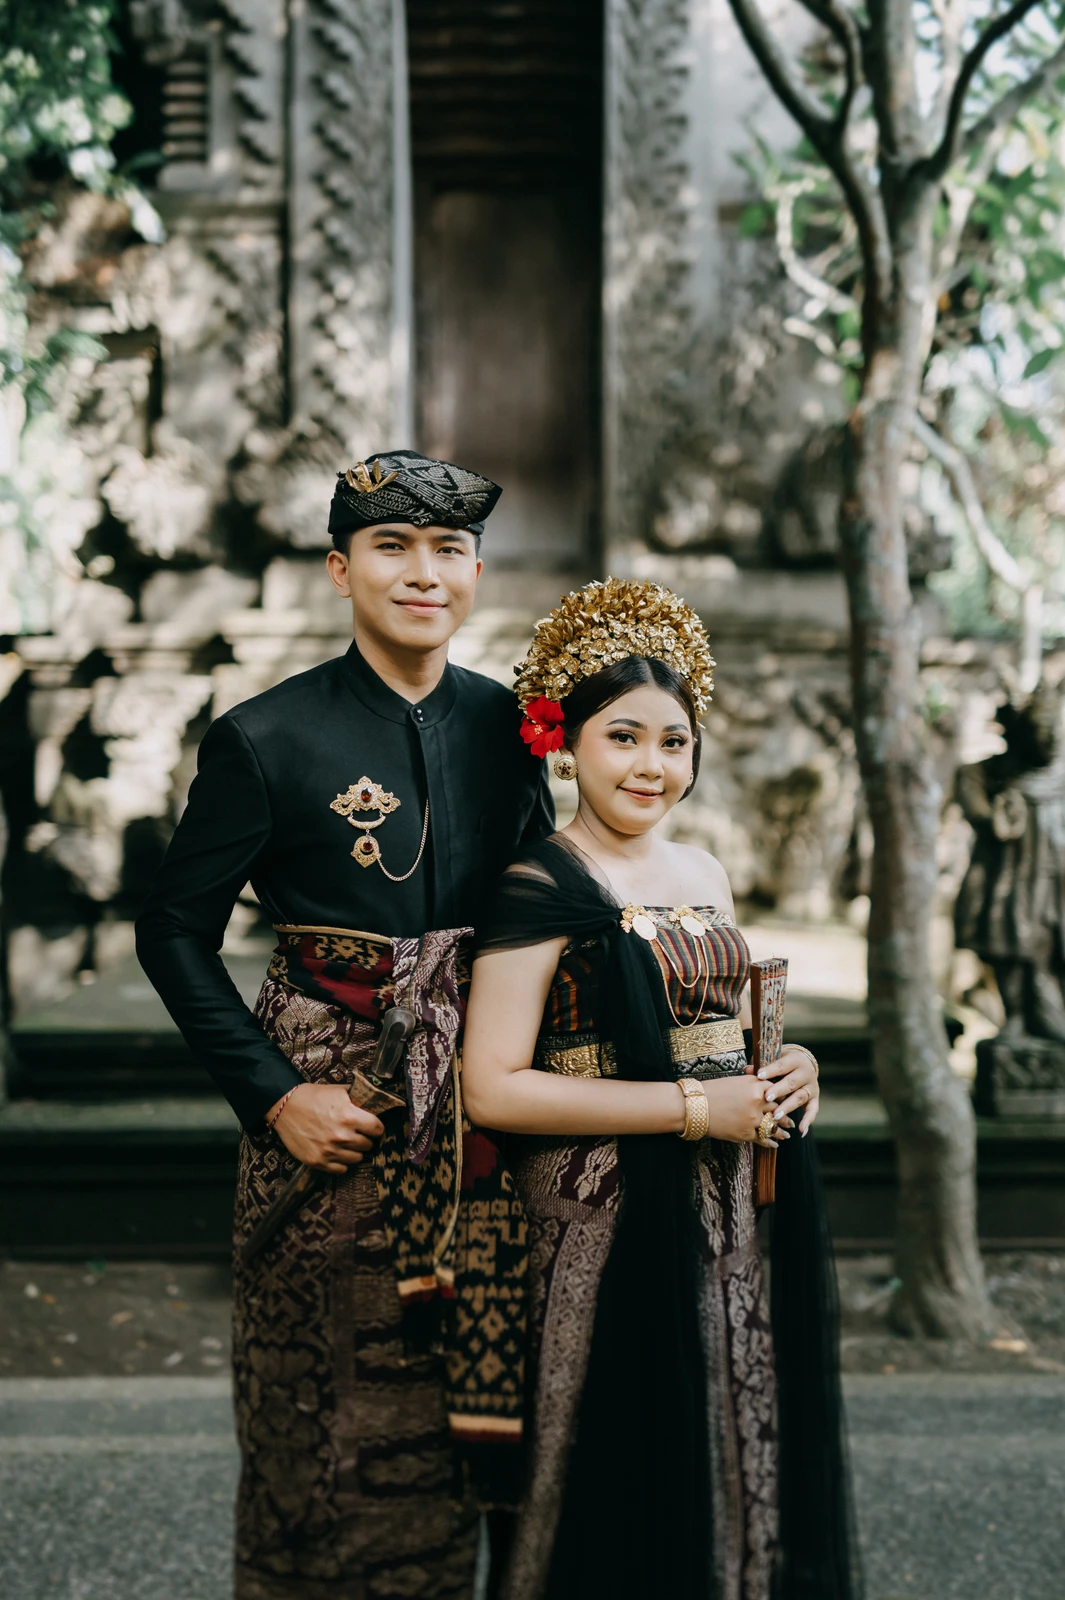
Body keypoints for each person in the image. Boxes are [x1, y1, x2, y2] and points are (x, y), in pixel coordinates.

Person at [135, 450, 553, 1600]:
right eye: (391, 547)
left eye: (450, 550)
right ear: (339, 569)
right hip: (334, 1105)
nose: (424, 573)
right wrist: (276, 1097)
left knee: (483, 1415)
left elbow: (557, 909)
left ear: (475, 572)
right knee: (322, 1418)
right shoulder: (265, 737)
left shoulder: (516, 727)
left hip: (487, 1111)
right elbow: (172, 930)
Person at [461, 578, 860, 1600]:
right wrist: (692, 1110)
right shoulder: (540, 884)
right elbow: (493, 1087)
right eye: (623, 737)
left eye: (673, 741)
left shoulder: (705, 871)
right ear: (565, 743)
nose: (651, 765)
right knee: (610, 1446)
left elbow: (728, 1029)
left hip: (725, 1203)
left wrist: (794, 1066)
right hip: (596, 1211)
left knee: (724, 1423)